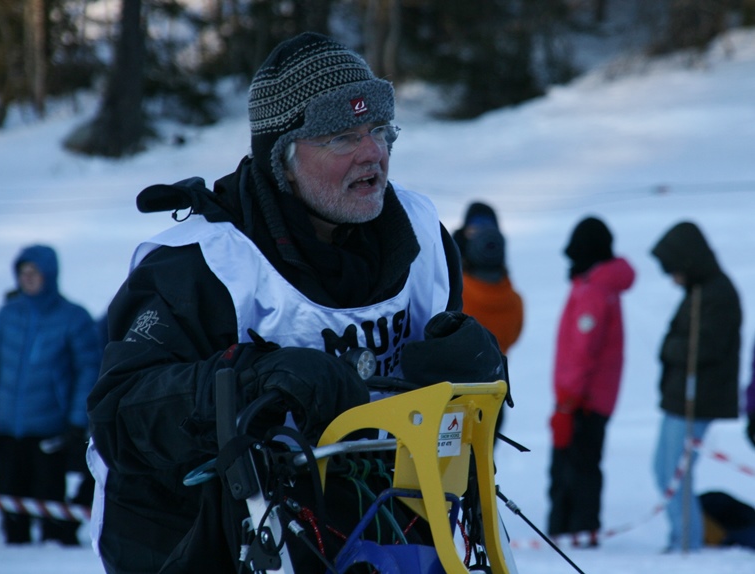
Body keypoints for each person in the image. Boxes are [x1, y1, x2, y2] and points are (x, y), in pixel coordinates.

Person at [86, 32, 506, 574]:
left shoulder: (422, 235)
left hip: (382, 536)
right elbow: (120, 415)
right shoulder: (202, 264)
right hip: (208, 544)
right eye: (342, 137)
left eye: (380, 130)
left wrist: (478, 367)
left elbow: (452, 416)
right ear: (282, 159)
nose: (373, 153)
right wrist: (250, 381)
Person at [0, 244, 102, 545]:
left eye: (34, 272)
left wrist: (77, 422)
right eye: (23, 272)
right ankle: (15, 547)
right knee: (10, 506)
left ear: (49, 275)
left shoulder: (74, 318)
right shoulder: (7, 315)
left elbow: (87, 373)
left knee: (50, 511)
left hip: (50, 431)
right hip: (6, 429)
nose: (28, 278)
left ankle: (51, 555)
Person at [651, 221, 741, 552]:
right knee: (663, 469)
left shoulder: (718, 294)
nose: (672, 279)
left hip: (698, 399)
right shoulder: (697, 291)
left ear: (688, 262)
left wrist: (669, 347)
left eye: (674, 270)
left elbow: (702, 349)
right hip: (677, 398)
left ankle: (687, 540)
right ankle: (683, 535)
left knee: (675, 473)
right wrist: (672, 345)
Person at [547, 216, 635, 548]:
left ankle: (576, 530)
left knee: (575, 463)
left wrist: (568, 397)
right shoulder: (596, 285)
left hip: (582, 398)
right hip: (589, 394)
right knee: (580, 460)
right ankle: (573, 528)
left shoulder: (594, 290)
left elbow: (583, 350)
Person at [452, 201, 523, 437]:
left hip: (454, 397)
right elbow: (512, 336)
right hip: (495, 392)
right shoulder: (513, 300)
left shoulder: (456, 292)